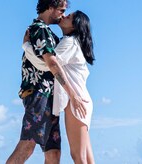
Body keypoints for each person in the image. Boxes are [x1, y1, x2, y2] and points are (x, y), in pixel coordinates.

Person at [6, 0, 74, 164]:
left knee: (53, 154)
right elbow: (51, 64)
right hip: (39, 94)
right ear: (50, 8)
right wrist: (71, 92)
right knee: (27, 146)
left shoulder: (50, 34)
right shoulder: (39, 29)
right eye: (61, 10)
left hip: (50, 98)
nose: (63, 15)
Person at [22, 11, 96, 164]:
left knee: (78, 156)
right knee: (87, 157)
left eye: (69, 16)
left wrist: (27, 46)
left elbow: (48, 64)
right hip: (81, 99)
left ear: (75, 26)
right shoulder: (72, 42)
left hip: (77, 100)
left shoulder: (70, 42)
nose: (64, 16)